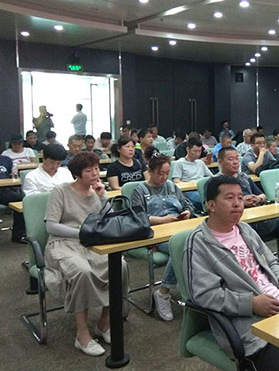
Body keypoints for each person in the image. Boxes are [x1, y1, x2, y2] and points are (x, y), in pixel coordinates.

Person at [183, 175, 279, 371]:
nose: (237, 204)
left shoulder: (245, 229)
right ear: (211, 205)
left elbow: (271, 261)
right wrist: (251, 304)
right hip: (253, 325)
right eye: (229, 198)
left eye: (240, 198)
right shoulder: (199, 243)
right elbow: (204, 295)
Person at [44, 152, 127, 356]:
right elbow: (51, 226)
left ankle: (104, 323)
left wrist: (103, 197)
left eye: (97, 169)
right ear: (77, 174)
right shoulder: (61, 191)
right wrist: (81, 233)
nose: (95, 173)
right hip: (64, 243)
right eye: (89, 170)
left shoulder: (97, 192)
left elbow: (108, 222)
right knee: (82, 272)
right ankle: (82, 335)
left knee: (120, 266)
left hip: (92, 244)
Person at [130, 147, 195, 322]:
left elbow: (187, 204)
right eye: (160, 173)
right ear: (150, 171)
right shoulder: (140, 190)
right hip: (156, 235)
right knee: (183, 248)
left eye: (167, 173)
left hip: (178, 229)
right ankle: (164, 292)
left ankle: (195, 292)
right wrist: (160, 220)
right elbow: (137, 217)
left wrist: (187, 212)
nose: (164, 177)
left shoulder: (171, 187)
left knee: (196, 245)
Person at [172, 137, 213, 210]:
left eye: (199, 151)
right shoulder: (179, 163)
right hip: (188, 191)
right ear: (188, 149)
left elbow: (211, 177)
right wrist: (189, 184)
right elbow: (176, 181)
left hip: (202, 189)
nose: (198, 154)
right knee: (205, 200)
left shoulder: (200, 163)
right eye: (195, 151)